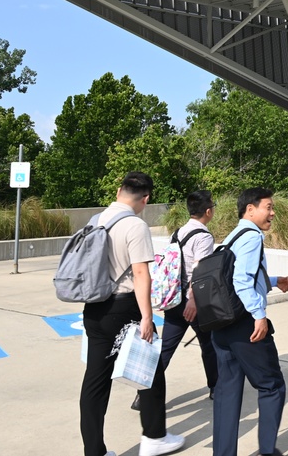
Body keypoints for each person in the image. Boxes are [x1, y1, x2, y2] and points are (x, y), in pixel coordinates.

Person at [79, 171, 184, 456]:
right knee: (150, 368)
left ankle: (94, 451)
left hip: (94, 307)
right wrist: (147, 317)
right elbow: (141, 274)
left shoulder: (95, 220)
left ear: (118, 191)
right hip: (123, 308)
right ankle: (154, 437)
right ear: (145, 198)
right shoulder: (135, 226)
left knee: (95, 381)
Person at [212, 187, 288, 456]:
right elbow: (241, 280)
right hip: (245, 326)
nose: (272, 213)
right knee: (272, 385)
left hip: (222, 326)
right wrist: (259, 316)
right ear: (250, 209)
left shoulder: (231, 237)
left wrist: (271, 280)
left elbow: (234, 277)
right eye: (268, 207)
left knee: (227, 393)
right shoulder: (252, 237)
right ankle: (267, 452)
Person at [131, 190, 218, 411]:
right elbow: (201, 271)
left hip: (174, 298)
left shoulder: (178, 233)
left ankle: (143, 394)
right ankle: (216, 388)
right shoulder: (204, 237)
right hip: (193, 300)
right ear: (208, 211)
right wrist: (194, 301)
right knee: (209, 345)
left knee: (166, 348)